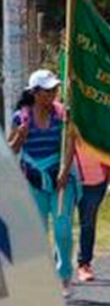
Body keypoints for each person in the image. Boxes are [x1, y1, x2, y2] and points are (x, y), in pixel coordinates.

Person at [7, 70, 77, 296]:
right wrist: (20, 135)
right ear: (35, 93)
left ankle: (64, 275)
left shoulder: (62, 115)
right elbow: (11, 151)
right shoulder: (21, 117)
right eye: (48, 91)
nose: (53, 94)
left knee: (63, 231)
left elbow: (70, 143)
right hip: (32, 181)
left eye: (55, 90)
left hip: (60, 180)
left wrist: (65, 171)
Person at [75, 142, 110, 283]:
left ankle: (84, 264)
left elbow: (105, 141)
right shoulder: (63, 120)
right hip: (69, 179)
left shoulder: (97, 121)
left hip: (95, 180)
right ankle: (61, 267)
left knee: (88, 223)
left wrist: (109, 167)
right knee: (62, 223)